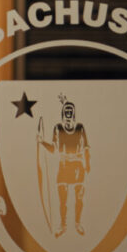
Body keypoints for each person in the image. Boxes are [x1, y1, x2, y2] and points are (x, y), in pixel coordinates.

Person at [38, 98, 90, 236]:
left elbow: (86, 148)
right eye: (66, 110)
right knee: (63, 199)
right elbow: (54, 149)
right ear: (62, 113)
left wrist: (88, 164)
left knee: (79, 198)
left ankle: (78, 223)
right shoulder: (57, 128)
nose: (68, 113)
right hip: (64, 166)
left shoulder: (80, 128)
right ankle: (63, 225)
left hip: (78, 166)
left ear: (73, 113)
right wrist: (42, 142)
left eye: (70, 111)